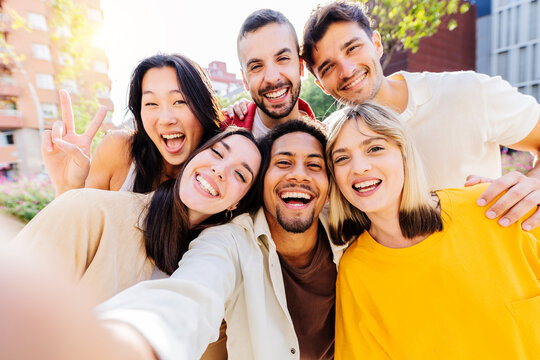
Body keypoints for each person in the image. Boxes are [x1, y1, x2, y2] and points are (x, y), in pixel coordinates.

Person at [15, 127, 263, 360]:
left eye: (240, 174)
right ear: (192, 159)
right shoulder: (87, 209)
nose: (220, 170)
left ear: (237, 204)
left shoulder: (217, 275)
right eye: (217, 153)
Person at [324, 104, 540, 359]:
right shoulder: (355, 271)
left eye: (375, 148)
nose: (359, 167)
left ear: (404, 153)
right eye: (342, 158)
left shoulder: (494, 206)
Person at [301, 0, 540, 230]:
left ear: (376, 44)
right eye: (328, 67)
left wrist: (534, 185)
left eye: (352, 48)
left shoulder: (468, 92)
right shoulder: (330, 140)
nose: (347, 70)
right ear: (321, 85)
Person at [42, 53, 222, 195]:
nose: (166, 119)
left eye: (179, 102)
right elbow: (75, 231)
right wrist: (68, 186)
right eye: (151, 104)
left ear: (203, 106)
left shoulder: (220, 172)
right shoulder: (120, 151)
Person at [222, 9, 317, 137]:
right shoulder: (219, 133)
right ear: (245, 80)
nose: (272, 78)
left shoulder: (329, 144)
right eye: (256, 67)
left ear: (300, 67)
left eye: (283, 59)